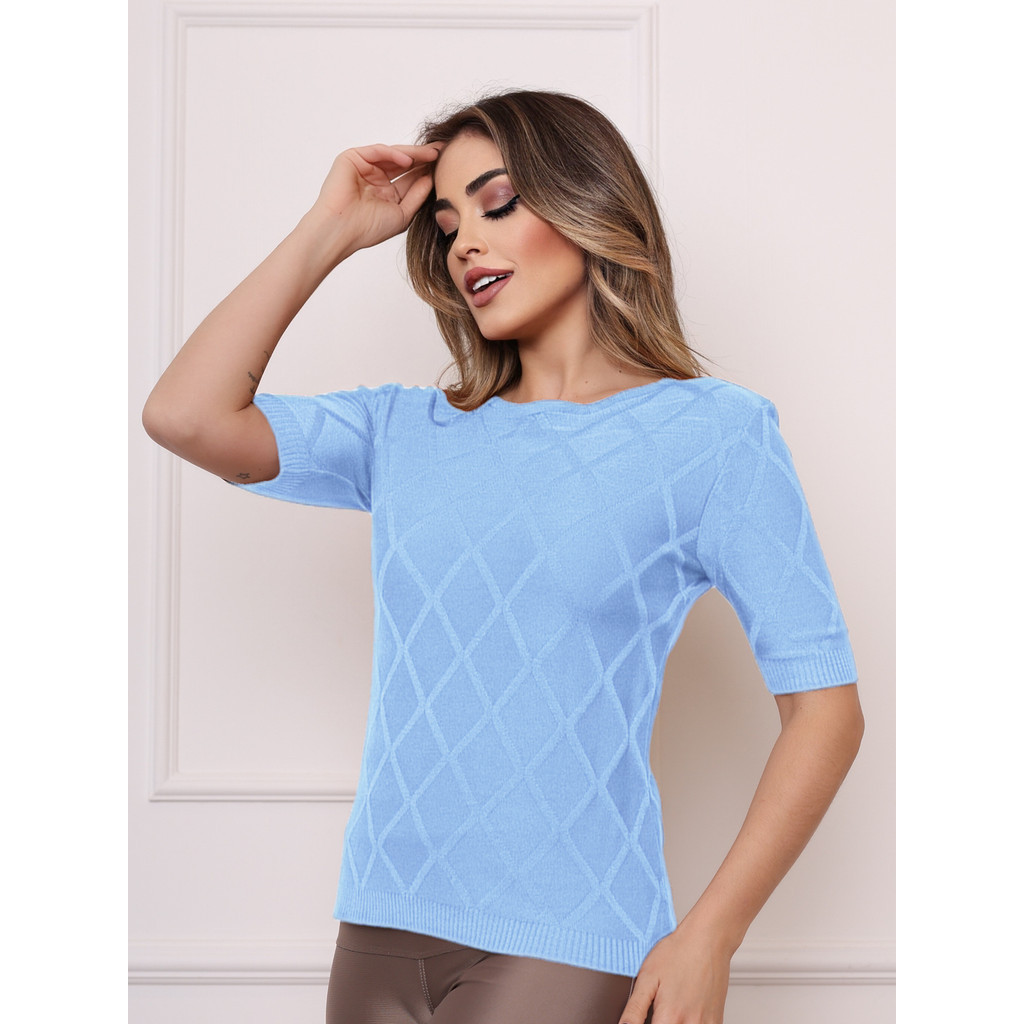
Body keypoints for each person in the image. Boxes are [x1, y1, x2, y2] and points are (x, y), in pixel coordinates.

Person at [143, 90, 864, 1024]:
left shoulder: (713, 436)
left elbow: (825, 711)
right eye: (447, 227)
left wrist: (710, 935)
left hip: (566, 942)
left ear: (587, 201)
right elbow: (185, 415)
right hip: (375, 928)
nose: (465, 245)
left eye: (497, 204)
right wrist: (330, 229)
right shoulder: (405, 430)